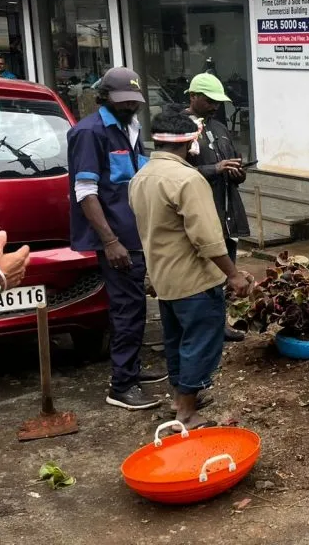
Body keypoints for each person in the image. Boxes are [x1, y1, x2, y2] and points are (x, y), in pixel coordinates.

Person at [129, 104, 252, 429]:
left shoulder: (140, 177)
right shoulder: (188, 179)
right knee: (202, 342)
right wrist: (233, 274)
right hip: (195, 281)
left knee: (176, 341)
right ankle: (187, 413)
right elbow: (208, 239)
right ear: (189, 142)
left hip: (165, 280)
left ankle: (180, 398)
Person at [68, 67, 167, 410]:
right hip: (116, 240)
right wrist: (110, 241)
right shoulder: (90, 133)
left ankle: (131, 370)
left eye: (134, 101)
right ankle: (122, 385)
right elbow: (86, 192)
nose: (130, 107)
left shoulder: (130, 128)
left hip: (134, 234)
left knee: (134, 308)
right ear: (104, 98)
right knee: (128, 309)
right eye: (122, 101)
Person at [185, 72, 249, 342]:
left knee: (226, 271)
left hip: (226, 212)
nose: (214, 106)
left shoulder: (220, 128)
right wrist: (215, 168)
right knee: (203, 273)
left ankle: (220, 325)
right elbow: (177, 174)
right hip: (202, 212)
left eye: (217, 102)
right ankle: (201, 330)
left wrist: (237, 172)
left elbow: (234, 165)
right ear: (193, 97)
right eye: (209, 100)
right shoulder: (179, 128)